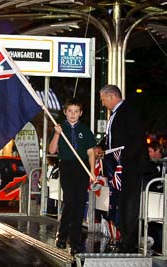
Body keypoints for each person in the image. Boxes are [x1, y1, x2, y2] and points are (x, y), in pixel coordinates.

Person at [99, 84, 148, 253]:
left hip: (130, 167)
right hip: (119, 167)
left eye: (104, 99)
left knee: (130, 204)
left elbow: (137, 140)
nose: (103, 103)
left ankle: (129, 242)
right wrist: (102, 147)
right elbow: (111, 138)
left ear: (112, 97)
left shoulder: (129, 112)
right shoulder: (115, 114)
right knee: (121, 203)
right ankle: (124, 236)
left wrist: (122, 160)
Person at [48, 98, 96, 256]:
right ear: (65, 112)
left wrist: (92, 171)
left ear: (81, 113)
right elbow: (53, 150)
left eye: (76, 111)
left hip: (82, 168)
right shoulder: (59, 129)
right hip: (67, 166)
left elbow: (90, 152)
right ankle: (62, 235)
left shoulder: (85, 130)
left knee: (79, 203)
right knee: (70, 201)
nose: (73, 114)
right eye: (70, 111)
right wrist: (56, 134)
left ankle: (75, 242)